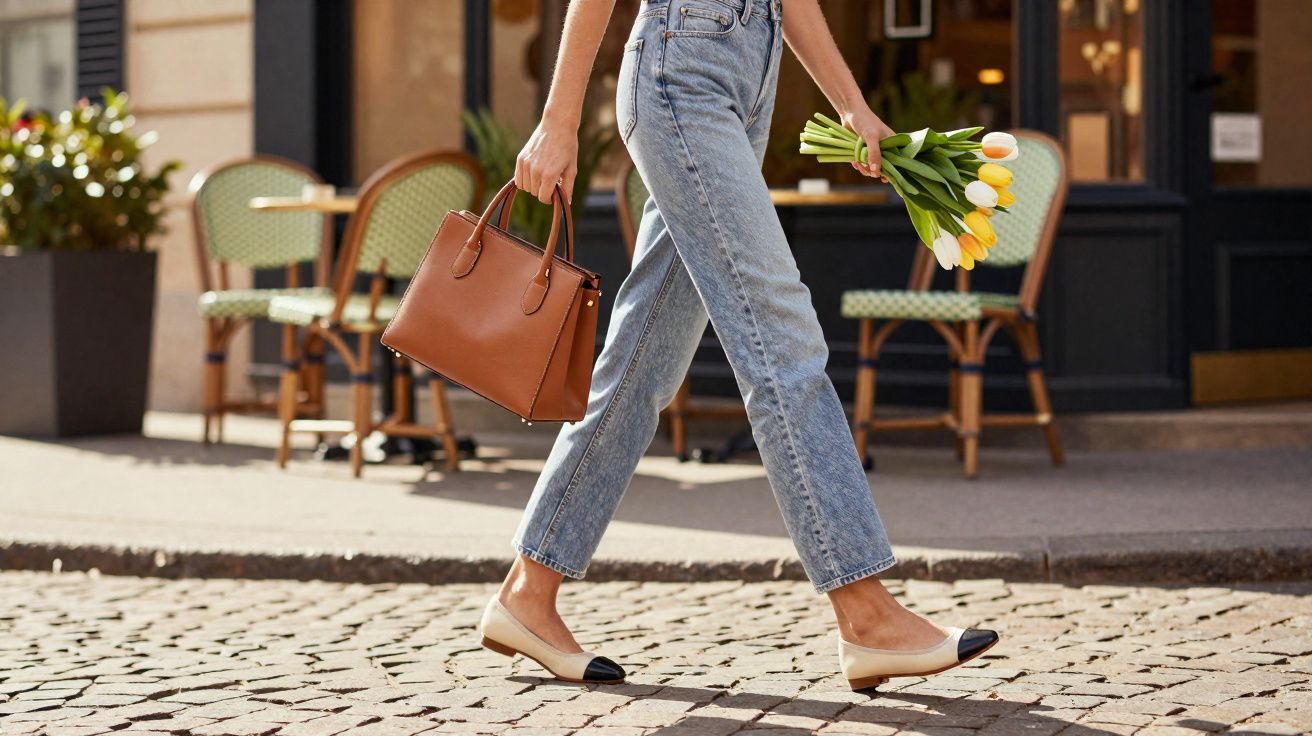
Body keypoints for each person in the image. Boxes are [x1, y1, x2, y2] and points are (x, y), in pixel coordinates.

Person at [476, 0, 998, 690]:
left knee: (643, 362)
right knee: (781, 338)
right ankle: (866, 614)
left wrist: (852, 107)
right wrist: (560, 118)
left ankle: (527, 592)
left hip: (748, 79)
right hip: (679, 70)